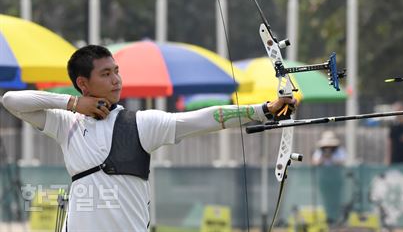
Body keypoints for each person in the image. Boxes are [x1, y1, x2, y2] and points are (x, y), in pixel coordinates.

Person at [0, 45, 296, 231]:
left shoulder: (140, 123)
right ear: (83, 84)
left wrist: (263, 110)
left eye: (116, 71)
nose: (116, 79)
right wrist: (73, 104)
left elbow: (202, 118)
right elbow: (11, 100)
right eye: (105, 74)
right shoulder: (66, 124)